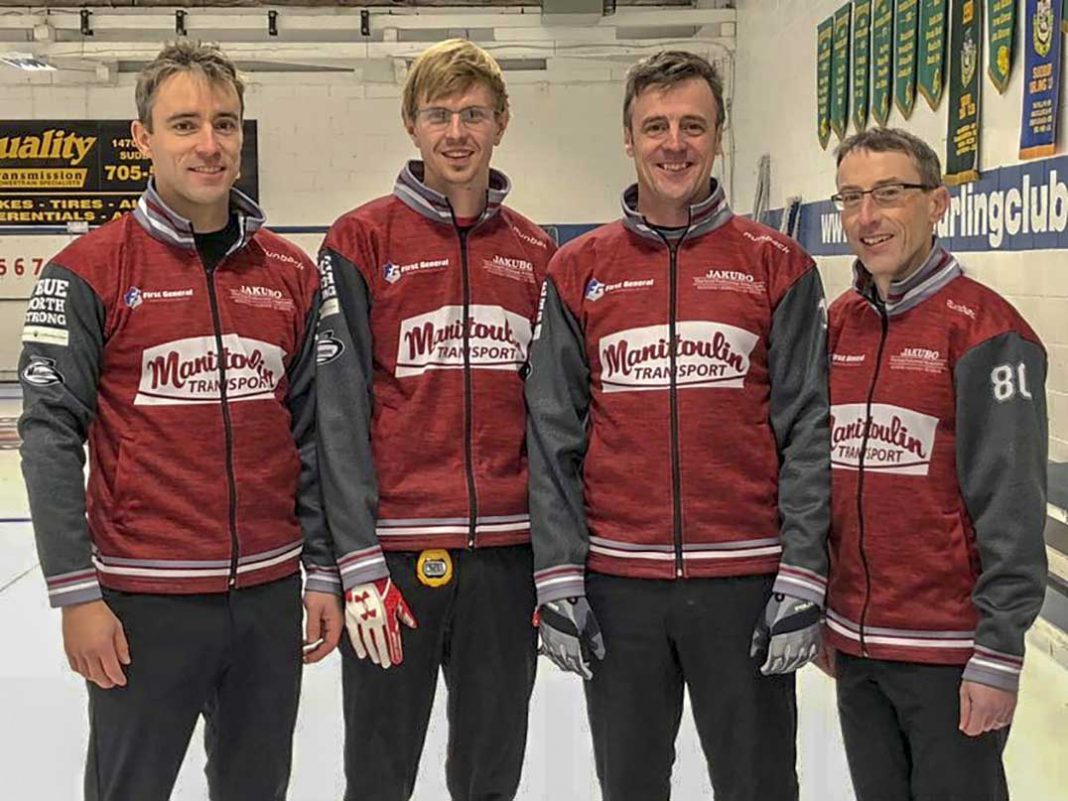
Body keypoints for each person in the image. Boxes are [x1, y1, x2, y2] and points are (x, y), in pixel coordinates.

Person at [17, 41, 341, 801]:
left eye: (224, 124)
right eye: (185, 124)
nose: (208, 144)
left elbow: (313, 438)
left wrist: (323, 569)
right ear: (143, 138)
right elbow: (49, 436)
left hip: (266, 597)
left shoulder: (290, 273)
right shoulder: (88, 270)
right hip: (142, 603)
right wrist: (76, 594)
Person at [525, 50, 830, 801]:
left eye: (693, 125)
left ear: (719, 135)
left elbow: (807, 427)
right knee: (630, 784)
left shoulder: (779, 264)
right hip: (618, 587)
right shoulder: (577, 268)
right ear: (628, 137)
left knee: (760, 786)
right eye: (655, 126)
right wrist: (558, 574)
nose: (674, 143)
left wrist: (802, 571)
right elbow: (552, 431)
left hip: (748, 585)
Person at [315, 38, 555, 801]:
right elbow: (336, 413)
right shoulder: (359, 240)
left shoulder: (536, 250)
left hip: (507, 562)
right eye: (439, 114)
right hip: (393, 560)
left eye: (474, 114)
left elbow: (555, 418)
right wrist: (355, 560)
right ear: (411, 123)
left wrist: (557, 560)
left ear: (502, 122)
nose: (457, 132)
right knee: (378, 775)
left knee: (491, 772)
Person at [824, 127, 1048, 801]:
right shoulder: (840, 323)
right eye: (851, 198)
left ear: (937, 203)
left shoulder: (987, 331)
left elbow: (1012, 504)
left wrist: (999, 650)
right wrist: (827, 610)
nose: (868, 217)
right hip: (858, 647)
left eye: (889, 193)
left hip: (951, 652)